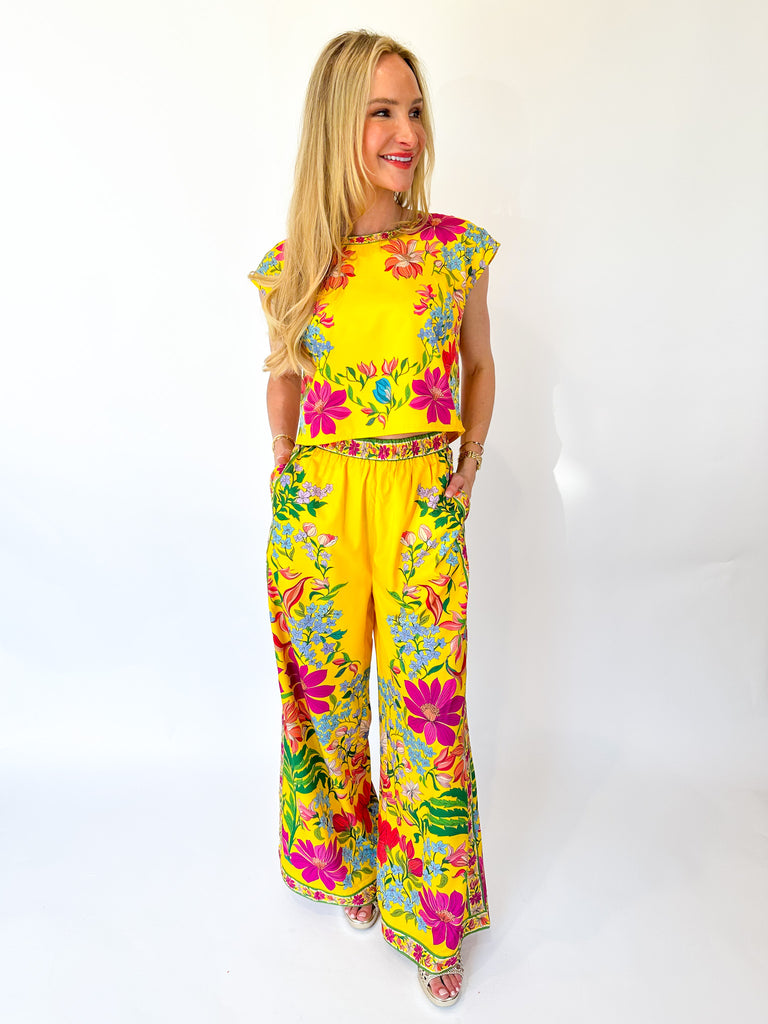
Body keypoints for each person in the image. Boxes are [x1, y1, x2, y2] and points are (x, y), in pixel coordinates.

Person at [249, 29, 498, 1007]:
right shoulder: (295, 265)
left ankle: (433, 918)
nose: (407, 131)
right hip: (320, 508)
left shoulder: (454, 250)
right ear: (335, 125)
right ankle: (349, 862)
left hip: (418, 504)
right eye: (382, 111)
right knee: (328, 704)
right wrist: (282, 459)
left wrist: (468, 464)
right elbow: (284, 371)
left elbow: (478, 363)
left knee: (427, 715)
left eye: (415, 110)